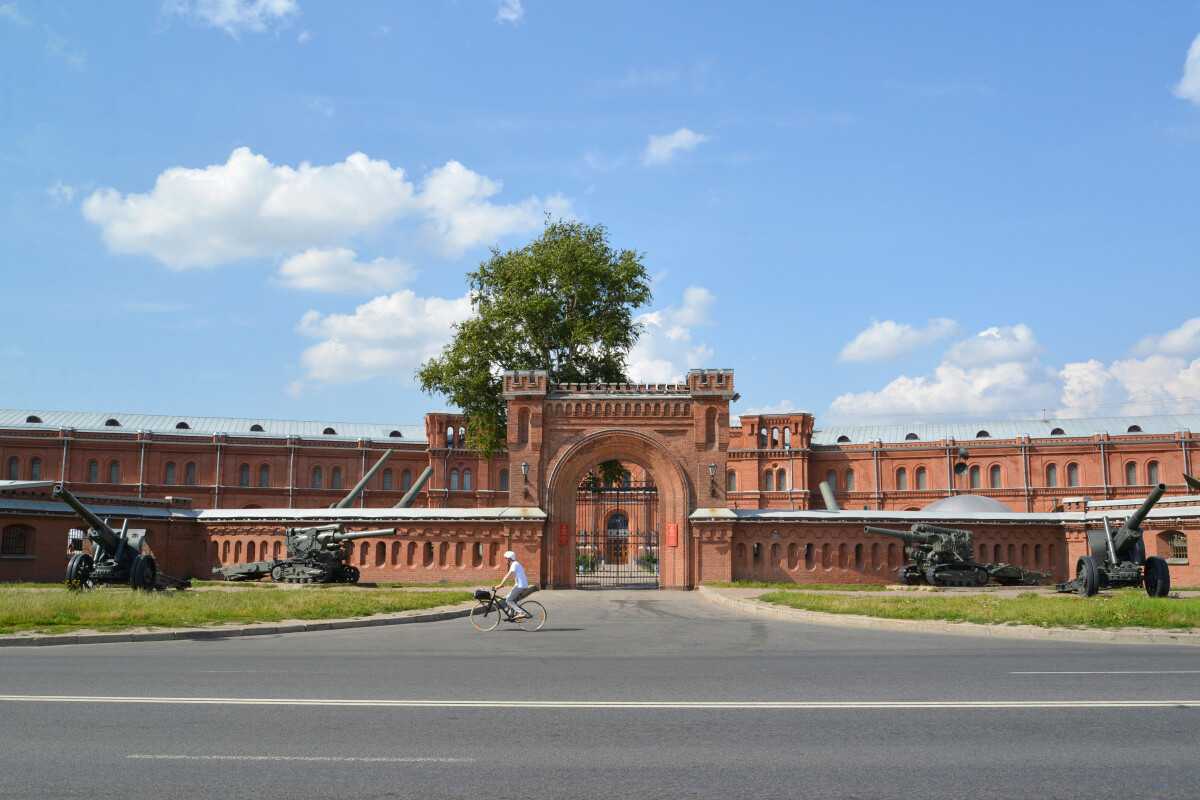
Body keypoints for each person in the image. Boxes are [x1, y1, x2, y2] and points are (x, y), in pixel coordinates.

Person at [493, 550, 529, 620]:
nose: (505, 560)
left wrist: (500, 585)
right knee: (511, 598)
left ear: (509, 558)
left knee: (508, 599)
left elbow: (507, 576)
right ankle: (511, 614)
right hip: (521, 585)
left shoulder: (514, 564)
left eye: (506, 558)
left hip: (520, 586)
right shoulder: (516, 564)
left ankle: (521, 613)